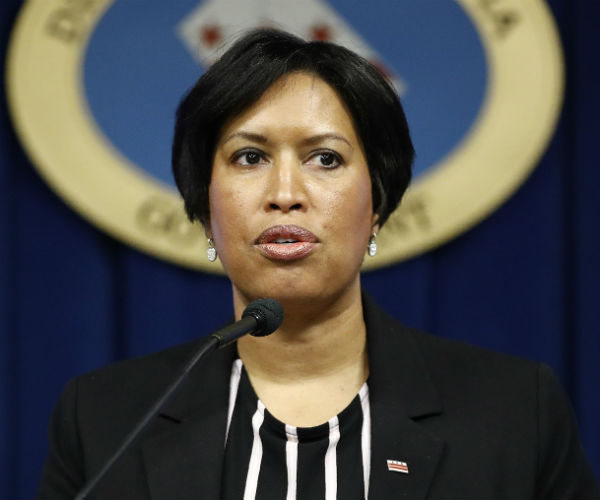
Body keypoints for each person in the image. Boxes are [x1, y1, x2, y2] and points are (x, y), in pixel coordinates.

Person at [38, 29, 598, 499]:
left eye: (325, 158)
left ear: (376, 204)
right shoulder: (106, 418)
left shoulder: (515, 414)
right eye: (249, 157)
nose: (285, 193)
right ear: (205, 208)